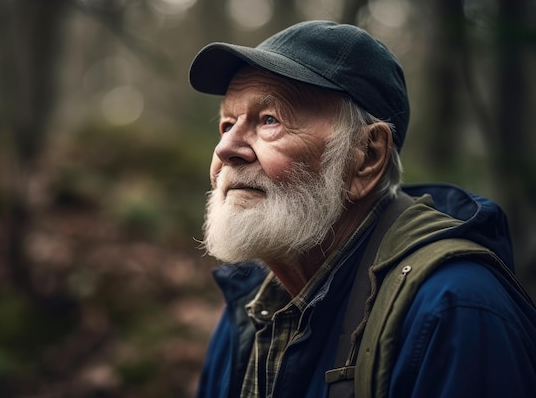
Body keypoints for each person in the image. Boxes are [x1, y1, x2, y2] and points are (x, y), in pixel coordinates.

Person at [187, 20, 536, 398]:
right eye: (226, 125)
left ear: (367, 156)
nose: (225, 149)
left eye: (270, 120)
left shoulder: (456, 310)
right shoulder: (250, 307)